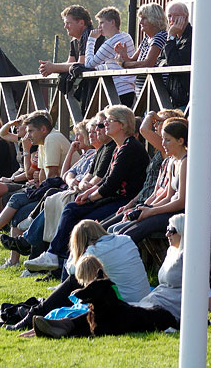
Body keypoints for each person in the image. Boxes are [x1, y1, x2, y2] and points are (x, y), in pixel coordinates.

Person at [31, 214, 211, 338]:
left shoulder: (189, 256)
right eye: (166, 229)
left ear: (183, 232)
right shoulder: (172, 252)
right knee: (109, 313)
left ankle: (63, 327)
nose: (166, 234)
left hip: (164, 308)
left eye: (171, 231)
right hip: (149, 300)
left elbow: (204, 290)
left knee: (111, 315)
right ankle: (62, 328)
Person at [24, 105, 149, 272]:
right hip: (114, 197)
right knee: (72, 208)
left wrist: (89, 197)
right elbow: (105, 180)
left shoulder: (129, 148)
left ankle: (61, 263)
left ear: (122, 124)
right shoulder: (120, 147)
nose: (105, 126)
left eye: (109, 121)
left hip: (125, 201)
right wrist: (89, 193)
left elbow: (110, 185)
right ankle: (58, 261)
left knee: (80, 219)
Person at [0, 111, 73, 263]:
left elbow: (42, 175)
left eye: (29, 130)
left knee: (7, 201)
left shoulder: (48, 140)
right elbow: (43, 175)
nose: (25, 133)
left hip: (54, 189)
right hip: (41, 186)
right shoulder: (41, 141)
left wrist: (25, 153)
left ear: (43, 129)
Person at [5, 219, 150, 331]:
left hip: (122, 302)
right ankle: (36, 311)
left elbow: (71, 269)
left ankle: (34, 315)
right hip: (142, 295)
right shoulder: (126, 240)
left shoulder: (94, 251)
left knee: (74, 280)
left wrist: (75, 252)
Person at [0, 119, 100, 266]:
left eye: (79, 135)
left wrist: (27, 151)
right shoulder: (88, 154)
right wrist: (71, 153)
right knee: (14, 199)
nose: (76, 138)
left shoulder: (52, 140)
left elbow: (50, 175)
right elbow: (65, 173)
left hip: (73, 193)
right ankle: (15, 252)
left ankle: (27, 250)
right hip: (64, 190)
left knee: (34, 207)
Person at [107, 118, 188, 243]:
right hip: (165, 208)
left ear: (180, 141)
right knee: (119, 230)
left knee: (128, 235)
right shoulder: (172, 161)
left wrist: (152, 211)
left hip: (178, 213)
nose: (163, 144)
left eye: (167, 140)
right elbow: (167, 196)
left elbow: (181, 201)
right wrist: (144, 209)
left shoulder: (185, 162)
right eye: (163, 139)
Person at [85, 7, 136, 108]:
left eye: (102, 23)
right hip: (129, 88)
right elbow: (113, 65)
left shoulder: (110, 43)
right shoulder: (126, 36)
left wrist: (91, 40)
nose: (99, 27)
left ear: (112, 22)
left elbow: (89, 64)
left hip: (117, 90)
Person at [113, 3, 169, 96]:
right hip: (143, 90)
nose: (140, 22)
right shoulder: (147, 38)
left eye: (144, 18)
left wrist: (124, 64)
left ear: (154, 19)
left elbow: (148, 63)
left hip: (154, 91)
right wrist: (123, 55)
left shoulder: (160, 36)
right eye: (140, 18)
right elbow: (133, 61)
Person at [38, 5, 104, 77]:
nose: (65, 26)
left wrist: (53, 67)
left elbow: (81, 64)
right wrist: (48, 68)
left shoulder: (89, 35)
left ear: (81, 23)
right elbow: (70, 63)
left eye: (68, 23)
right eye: (65, 23)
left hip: (104, 82)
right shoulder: (74, 40)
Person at [161, 1, 192, 108]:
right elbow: (159, 60)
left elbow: (174, 62)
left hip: (186, 98)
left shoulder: (191, 37)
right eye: (169, 16)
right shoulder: (173, 38)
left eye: (176, 16)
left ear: (186, 17)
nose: (172, 20)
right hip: (171, 97)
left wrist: (171, 37)